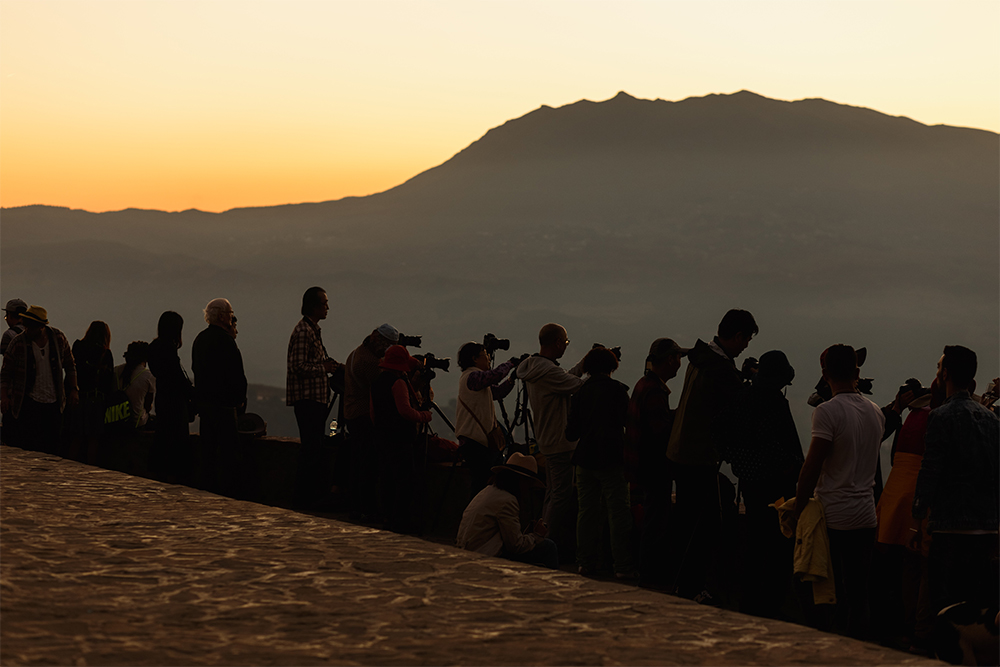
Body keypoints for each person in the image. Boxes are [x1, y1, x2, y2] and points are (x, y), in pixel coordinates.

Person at [793, 344, 885, 638]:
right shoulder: (875, 412)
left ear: (825, 373)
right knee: (859, 595)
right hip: (866, 515)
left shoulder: (826, 412)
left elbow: (812, 466)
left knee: (822, 592)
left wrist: (798, 508)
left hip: (832, 517)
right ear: (857, 372)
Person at [666, 308, 757, 602]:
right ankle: (693, 587)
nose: (745, 347)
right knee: (704, 526)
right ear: (738, 336)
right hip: (698, 456)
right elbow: (739, 407)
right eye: (746, 341)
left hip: (681, 451)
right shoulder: (719, 369)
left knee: (686, 522)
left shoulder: (700, 359)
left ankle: (680, 582)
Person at [910, 346, 999, 620]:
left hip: (950, 529)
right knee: (976, 614)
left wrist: (917, 518)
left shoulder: (940, 417)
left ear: (945, 374)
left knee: (946, 613)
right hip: (986, 529)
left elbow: (930, 471)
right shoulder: (992, 419)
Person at [723, 349, 803, 619]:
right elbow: (771, 442)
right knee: (778, 544)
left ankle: (749, 599)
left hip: (749, 480)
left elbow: (727, 432)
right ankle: (771, 602)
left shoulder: (743, 395)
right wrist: (791, 465)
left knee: (755, 543)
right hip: (775, 485)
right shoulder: (774, 402)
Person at [516, 323, 586, 561]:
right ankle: (545, 545)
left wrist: (584, 364)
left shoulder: (536, 367)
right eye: (565, 343)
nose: (566, 346)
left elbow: (565, 379)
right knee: (561, 495)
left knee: (552, 491)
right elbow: (577, 386)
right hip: (560, 442)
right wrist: (598, 372)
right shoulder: (547, 371)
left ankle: (541, 536)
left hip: (547, 439)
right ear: (557, 342)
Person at [566, 346, 635, 578]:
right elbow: (630, 423)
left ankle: (585, 562)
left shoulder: (580, 394)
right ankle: (622, 567)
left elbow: (571, 433)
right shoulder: (618, 391)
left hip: (584, 460)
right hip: (612, 459)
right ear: (612, 367)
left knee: (586, 512)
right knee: (618, 513)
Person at [625, 337, 686, 588]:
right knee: (655, 523)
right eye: (678, 359)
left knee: (651, 520)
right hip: (654, 467)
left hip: (641, 466)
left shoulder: (643, 384)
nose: (679, 364)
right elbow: (659, 431)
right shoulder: (655, 391)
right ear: (670, 360)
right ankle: (652, 578)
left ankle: (648, 573)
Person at [286, 287, 341, 507]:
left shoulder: (312, 330)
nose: (327, 307)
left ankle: (309, 496)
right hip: (307, 399)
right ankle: (304, 497)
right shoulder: (304, 332)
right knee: (311, 449)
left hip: (315, 399)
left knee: (315, 448)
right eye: (324, 303)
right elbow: (297, 366)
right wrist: (323, 367)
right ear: (314, 306)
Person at [456, 452, 559, 569]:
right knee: (549, 547)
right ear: (521, 481)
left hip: (469, 551)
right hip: (483, 555)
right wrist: (537, 535)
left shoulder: (488, 491)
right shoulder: (508, 501)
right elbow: (516, 545)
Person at [369, 344, 433, 533]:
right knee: (405, 481)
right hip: (400, 438)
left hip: (381, 437)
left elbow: (373, 412)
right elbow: (405, 411)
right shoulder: (398, 383)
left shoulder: (377, 382)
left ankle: (388, 517)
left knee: (387, 479)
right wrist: (424, 416)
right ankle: (401, 520)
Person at [0, 305, 79, 453]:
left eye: (31, 327)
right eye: (26, 326)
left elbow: (70, 365)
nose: (28, 330)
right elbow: (5, 372)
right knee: (30, 445)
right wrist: (4, 396)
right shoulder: (18, 343)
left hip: (54, 402)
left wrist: (74, 389)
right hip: (28, 402)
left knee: (53, 445)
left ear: (41, 326)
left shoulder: (58, 339)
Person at [191, 298, 247, 494]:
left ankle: (207, 488)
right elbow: (236, 374)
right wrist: (239, 399)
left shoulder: (199, 339)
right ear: (222, 316)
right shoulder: (226, 341)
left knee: (208, 452)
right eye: (230, 314)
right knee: (229, 453)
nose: (232, 317)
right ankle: (231, 491)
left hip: (205, 406)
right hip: (225, 406)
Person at [343, 323, 399, 519]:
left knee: (359, 462)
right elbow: (385, 388)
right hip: (364, 415)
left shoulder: (358, 352)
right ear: (376, 338)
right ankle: (366, 508)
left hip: (353, 414)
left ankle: (358, 506)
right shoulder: (369, 362)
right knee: (367, 465)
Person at [455, 341, 522, 499]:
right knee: (480, 485)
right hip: (475, 443)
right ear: (474, 359)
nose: (489, 358)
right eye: (485, 355)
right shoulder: (472, 377)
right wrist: (510, 363)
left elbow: (498, 392)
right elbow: (495, 376)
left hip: (479, 442)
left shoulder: (476, 381)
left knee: (483, 483)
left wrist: (512, 378)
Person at [147, 311, 195, 483]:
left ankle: (158, 472)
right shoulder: (168, 349)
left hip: (162, 399)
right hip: (175, 401)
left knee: (162, 436)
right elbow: (177, 377)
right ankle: (175, 474)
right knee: (177, 439)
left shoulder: (154, 348)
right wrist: (192, 393)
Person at [69, 321, 115, 464]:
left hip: (77, 397)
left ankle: (68, 466)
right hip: (95, 400)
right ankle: (90, 468)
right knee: (93, 439)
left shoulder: (77, 347)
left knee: (76, 436)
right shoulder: (105, 353)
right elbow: (109, 381)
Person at [114, 341, 155, 429]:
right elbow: (148, 406)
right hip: (137, 422)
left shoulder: (116, 371)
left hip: (116, 419)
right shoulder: (148, 376)